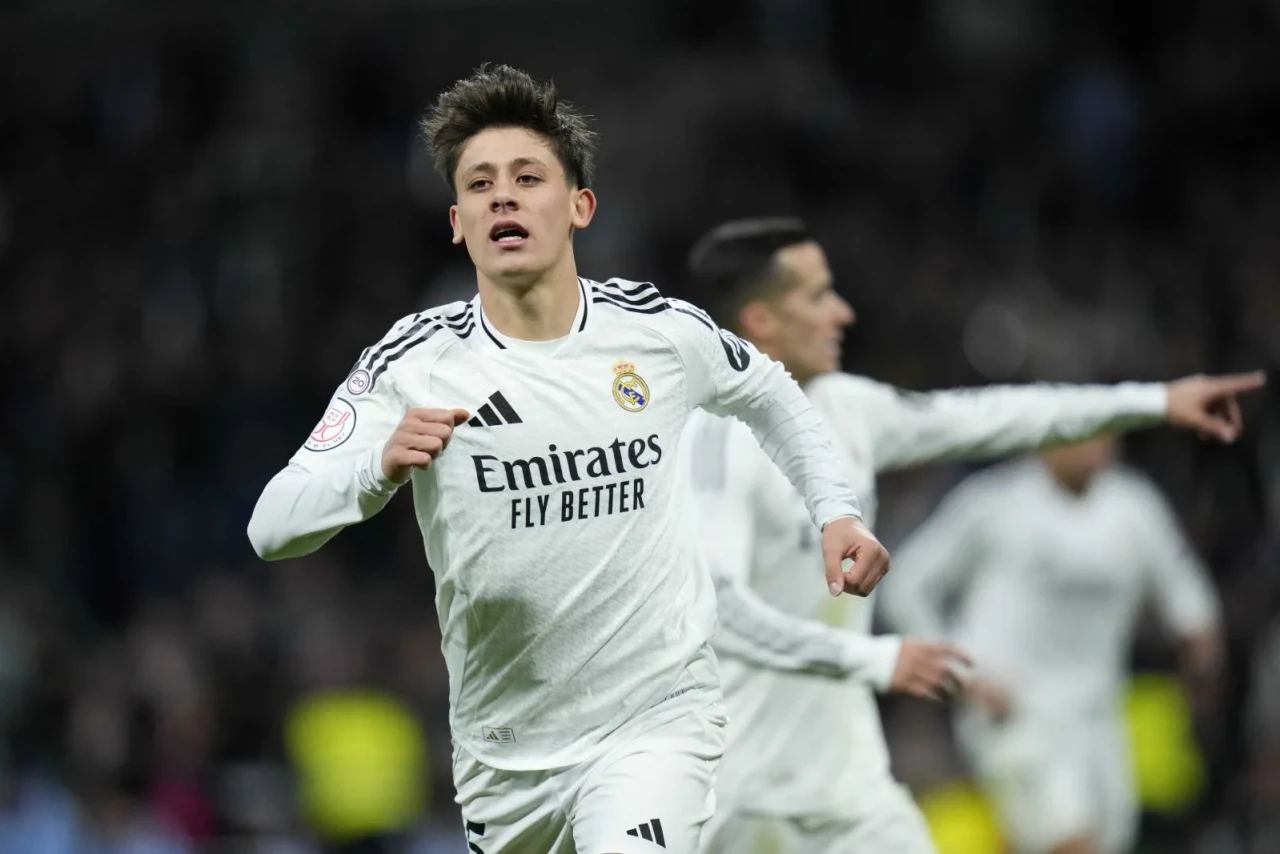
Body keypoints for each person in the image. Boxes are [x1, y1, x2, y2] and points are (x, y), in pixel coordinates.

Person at [247, 67, 888, 854]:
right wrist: (373, 468)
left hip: (656, 723)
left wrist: (835, 510)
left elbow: (771, 392)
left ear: (580, 206)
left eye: (527, 178)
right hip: (505, 756)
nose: (502, 198)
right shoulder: (412, 363)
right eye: (479, 185)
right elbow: (271, 526)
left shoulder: (657, 333)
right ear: (457, 222)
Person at [678, 217, 1263, 854]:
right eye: (819, 296)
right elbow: (722, 607)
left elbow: (990, 416)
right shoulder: (716, 439)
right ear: (761, 320)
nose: (843, 313)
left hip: (842, 768)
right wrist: (879, 660)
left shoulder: (851, 410)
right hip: (742, 766)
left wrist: (1155, 403)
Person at [880, 436, 1224, 854]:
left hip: (1098, 715)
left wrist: (1199, 639)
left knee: (1096, 842)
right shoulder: (996, 503)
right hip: (1016, 711)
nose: (1093, 445)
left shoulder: (1133, 507)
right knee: (1071, 843)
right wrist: (961, 675)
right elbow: (906, 588)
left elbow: (1183, 589)